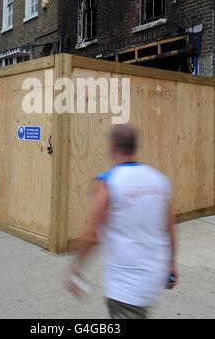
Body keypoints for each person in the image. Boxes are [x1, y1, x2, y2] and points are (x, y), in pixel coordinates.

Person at [67, 124, 177, 320]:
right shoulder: (159, 181)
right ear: (134, 146)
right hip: (152, 280)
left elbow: (92, 234)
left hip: (124, 286)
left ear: (112, 146)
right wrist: (171, 265)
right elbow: (169, 230)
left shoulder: (109, 182)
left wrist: (76, 268)